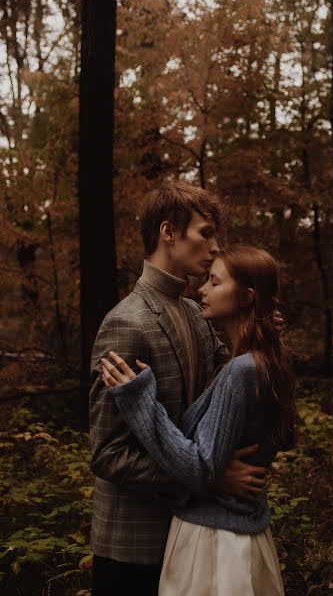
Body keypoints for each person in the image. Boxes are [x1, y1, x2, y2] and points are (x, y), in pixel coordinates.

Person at [89, 181, 283, 595]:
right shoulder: (127, 322)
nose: (215, 246)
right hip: (135, 542)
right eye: (205, 233)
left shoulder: (197, 314)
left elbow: (231, 390)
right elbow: (107, 454)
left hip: (192, 537)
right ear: (169, 232)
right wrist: (206, 479)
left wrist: (261, 326)